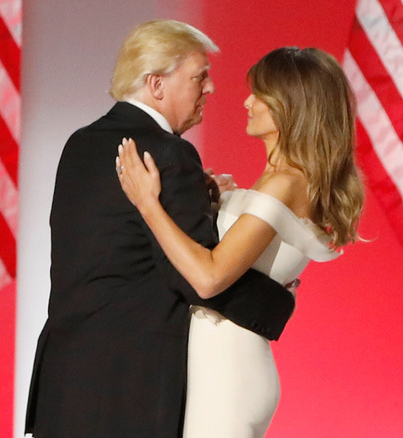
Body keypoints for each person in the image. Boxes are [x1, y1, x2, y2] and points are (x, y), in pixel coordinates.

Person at [24, 20, 294, 438]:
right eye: (200, 76)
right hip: (129, 386)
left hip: (64, 381)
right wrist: (277, 299)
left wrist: (198, 198)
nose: (210, 88)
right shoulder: (170, 153)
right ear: (156, 84)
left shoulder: (80, 143)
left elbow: (115, 249)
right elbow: (194, 276)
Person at [116, 46, 365, 438]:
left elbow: (209, 277)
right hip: (225, 366)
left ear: (289, 105)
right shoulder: (279, 181)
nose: (247, 102)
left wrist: (148, 203)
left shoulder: (286, 184)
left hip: (228, 374)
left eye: (260, 95)